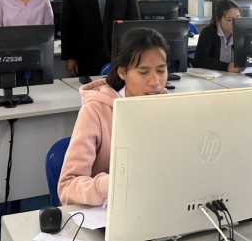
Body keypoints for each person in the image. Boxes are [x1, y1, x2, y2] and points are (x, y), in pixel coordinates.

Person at [58, 27, 169, 206]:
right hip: (108, 210)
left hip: (158, 204)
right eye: (143, 72)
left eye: (161, 70)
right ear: (122, 72)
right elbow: (68, 187)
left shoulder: (171, 108)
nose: (155, 81)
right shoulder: (95, 111)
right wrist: (115, 184)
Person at [193, 0, 243, 72]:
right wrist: (226, 67)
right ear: (218, 20)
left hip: (235, 76)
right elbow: (200, 59)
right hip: (212, 75)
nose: (234, 23)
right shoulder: (208, 33)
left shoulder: (242, 33)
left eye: (238, 18)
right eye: (229, 20)